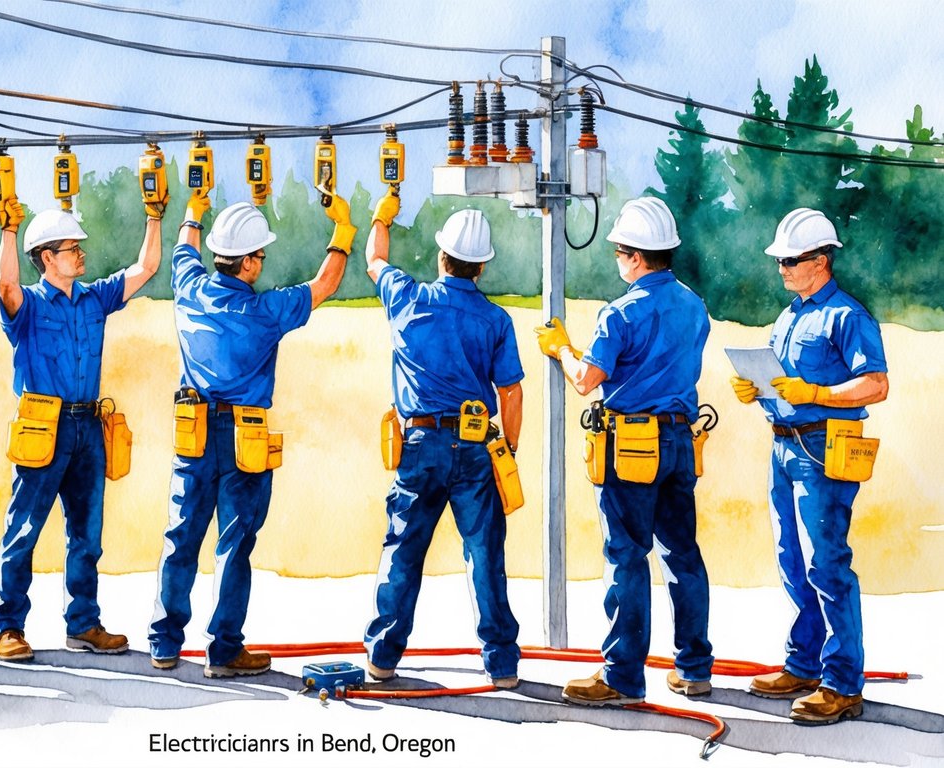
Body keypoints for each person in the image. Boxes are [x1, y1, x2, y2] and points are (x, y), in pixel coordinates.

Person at [147, 190, 352, 678]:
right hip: (244, 438)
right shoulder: (266, 312)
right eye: (260, 254)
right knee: (234, 543)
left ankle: (164, 643)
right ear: (249, 263)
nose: (262, 262)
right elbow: (324, 284)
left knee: (181, 535)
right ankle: (224, 652)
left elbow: (182, 248)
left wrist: (193, 207)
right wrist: (343, 231)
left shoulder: (189, 287)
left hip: (193, 432)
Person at [536, 196, 714, 705]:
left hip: (632, 445)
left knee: (627, 558)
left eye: (619, 251)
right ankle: (694, 669)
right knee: (682, 554)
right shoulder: (694, 306)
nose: (617, 259)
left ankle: (622, 676)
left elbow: (586, 381)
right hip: (681, 439)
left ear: (637, 257)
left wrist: (561, 347)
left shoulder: (621, 314)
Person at [729, 208, 888, 724]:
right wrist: (754, 391)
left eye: (791, 260)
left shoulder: (848, 317)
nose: (782, 268)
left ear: (821, 261)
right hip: (784, 446)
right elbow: (781, 383)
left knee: (827, 565)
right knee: (792, 561)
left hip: (823, 451)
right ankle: (804, 663)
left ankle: (842, 683)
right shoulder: (789, 315)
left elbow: (876, 385)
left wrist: (817, 392)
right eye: (779, 260)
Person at [361, 202, 525, 688]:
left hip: (421, 442)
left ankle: (382, 658)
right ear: (482, 266)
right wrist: (507, 451)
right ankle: (501, 666)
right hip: (476, 447)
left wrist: (383, 217)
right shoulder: (496, 321)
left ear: (441, 256)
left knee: (403, 550)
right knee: (484, 556)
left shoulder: (407, 297)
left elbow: (374, 259)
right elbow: (511, 391)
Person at [0, 201, 161, 661]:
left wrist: (153, 216)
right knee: (23, 529)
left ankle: (83, 624)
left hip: (89, 425)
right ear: (47, 258)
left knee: (87, 534)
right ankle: (8, 627)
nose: (82, 254)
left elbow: (147, 267)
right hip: (42, 425)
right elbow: (5, 284)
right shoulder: (26, 304)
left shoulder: (94, 297)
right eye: (72, 248)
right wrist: (9, 230)